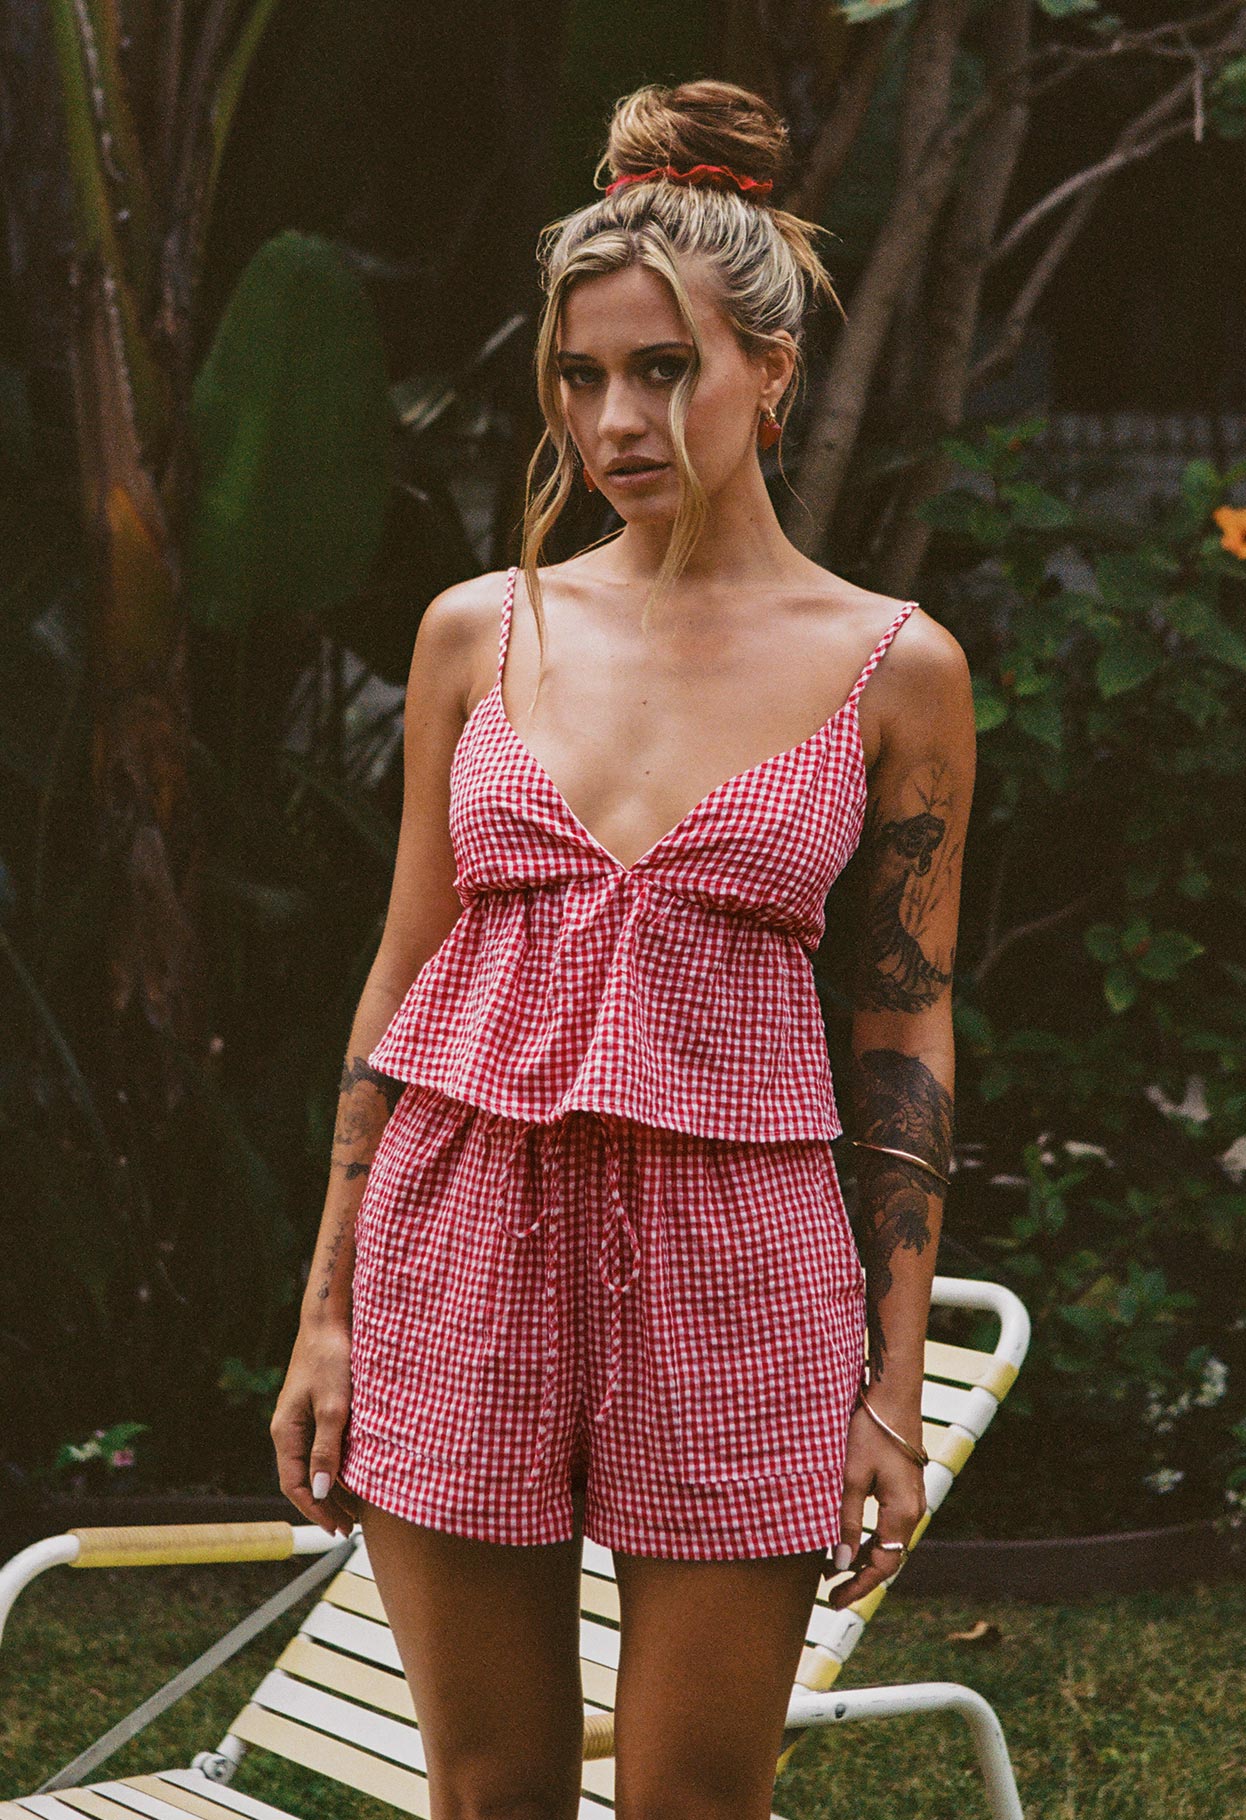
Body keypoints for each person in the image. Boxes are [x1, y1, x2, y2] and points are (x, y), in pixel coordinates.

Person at [270, 76, 974, 1820]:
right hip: (460, 1244)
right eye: (579, 377)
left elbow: (904, 1035)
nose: (615, 418)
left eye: (664, 369)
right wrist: (327, 1310)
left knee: (696, 1802)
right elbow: (401, 975)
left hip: (741, 1269)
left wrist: (890, 1387)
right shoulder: (476, 634)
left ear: (771, 372)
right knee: (489, 1792)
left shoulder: (896, 668)